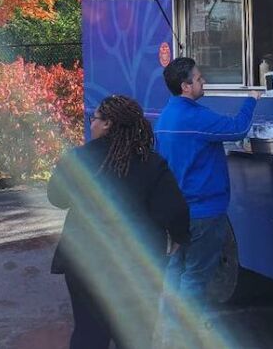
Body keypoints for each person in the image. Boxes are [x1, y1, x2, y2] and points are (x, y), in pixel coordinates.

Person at [48, 95, 190, 349]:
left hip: (84, 261)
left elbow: (57, 198)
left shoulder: (79, 158)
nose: (91, 123)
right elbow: (175, 210)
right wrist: (178, 238)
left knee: (89, 332)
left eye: (96, 118)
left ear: (108, 124)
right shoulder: (151, 162)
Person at [155, 58, 260, 340]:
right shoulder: (194, 118)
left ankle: (167, 331)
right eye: (199, 79)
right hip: (203, 212)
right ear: (185, 86)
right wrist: (252, 98)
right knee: (196, 277)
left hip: (177, 210)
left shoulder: (166, 116)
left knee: (176, 272)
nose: (204, 83)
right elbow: (238, 128)